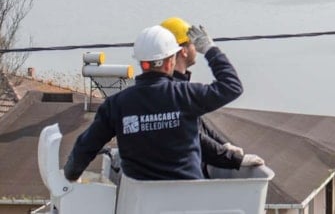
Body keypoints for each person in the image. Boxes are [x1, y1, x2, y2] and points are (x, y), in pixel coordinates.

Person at [63, 23, 243, 181]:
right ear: (170, 62)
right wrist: (210, 49)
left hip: (140, 200)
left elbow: (86, 145)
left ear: (142, 63)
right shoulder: (185, 95)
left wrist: (72, 174)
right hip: (189, 197)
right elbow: (232, 86)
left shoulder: (116, 105)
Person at [160, 16, 264, 174]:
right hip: (182, 179)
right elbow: (232, 86)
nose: (196, 48)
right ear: (183, 51)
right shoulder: (177, 92)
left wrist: (223, 144)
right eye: (193, 44)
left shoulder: (167, 88)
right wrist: (210, 50)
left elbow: (195, 123)